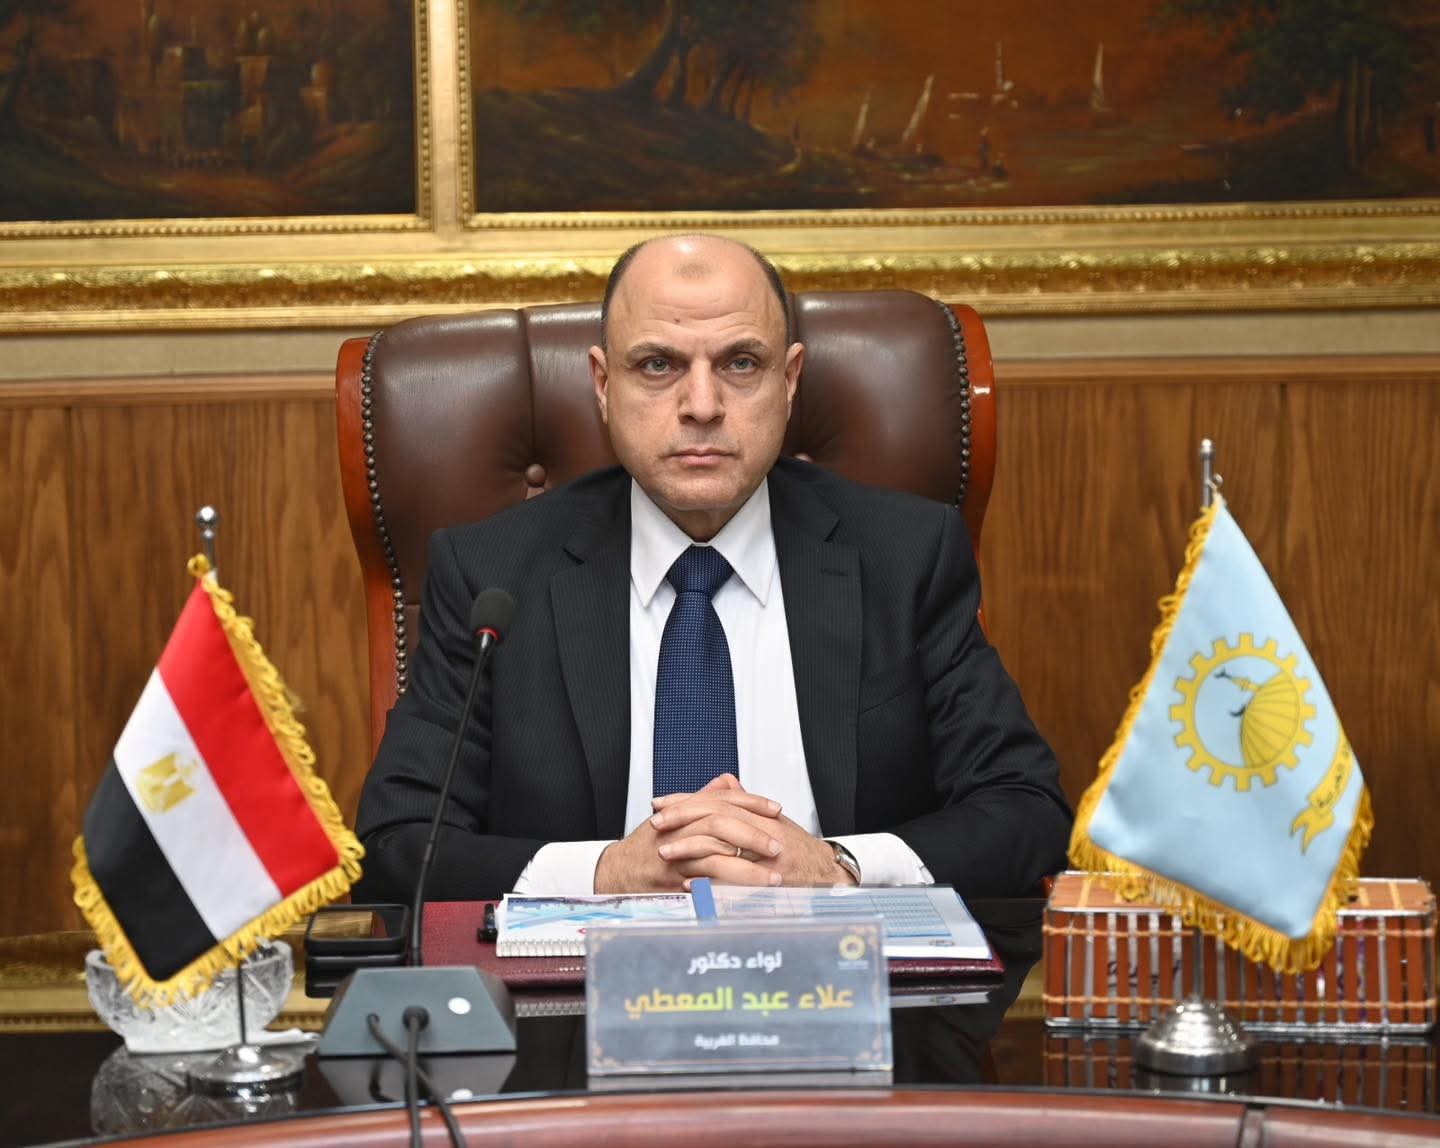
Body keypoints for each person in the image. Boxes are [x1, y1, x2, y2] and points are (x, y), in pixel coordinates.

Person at [353, 234, 1071, 901]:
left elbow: (1026, 808)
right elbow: (397, 841)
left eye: (741, 364)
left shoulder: (906, 556)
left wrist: (837, 867)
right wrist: (606, 871)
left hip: (842, 978)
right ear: (602, 384)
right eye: (657, 365)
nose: (702, 406)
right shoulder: (491, 575)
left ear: (789, 379)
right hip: (582, 989)